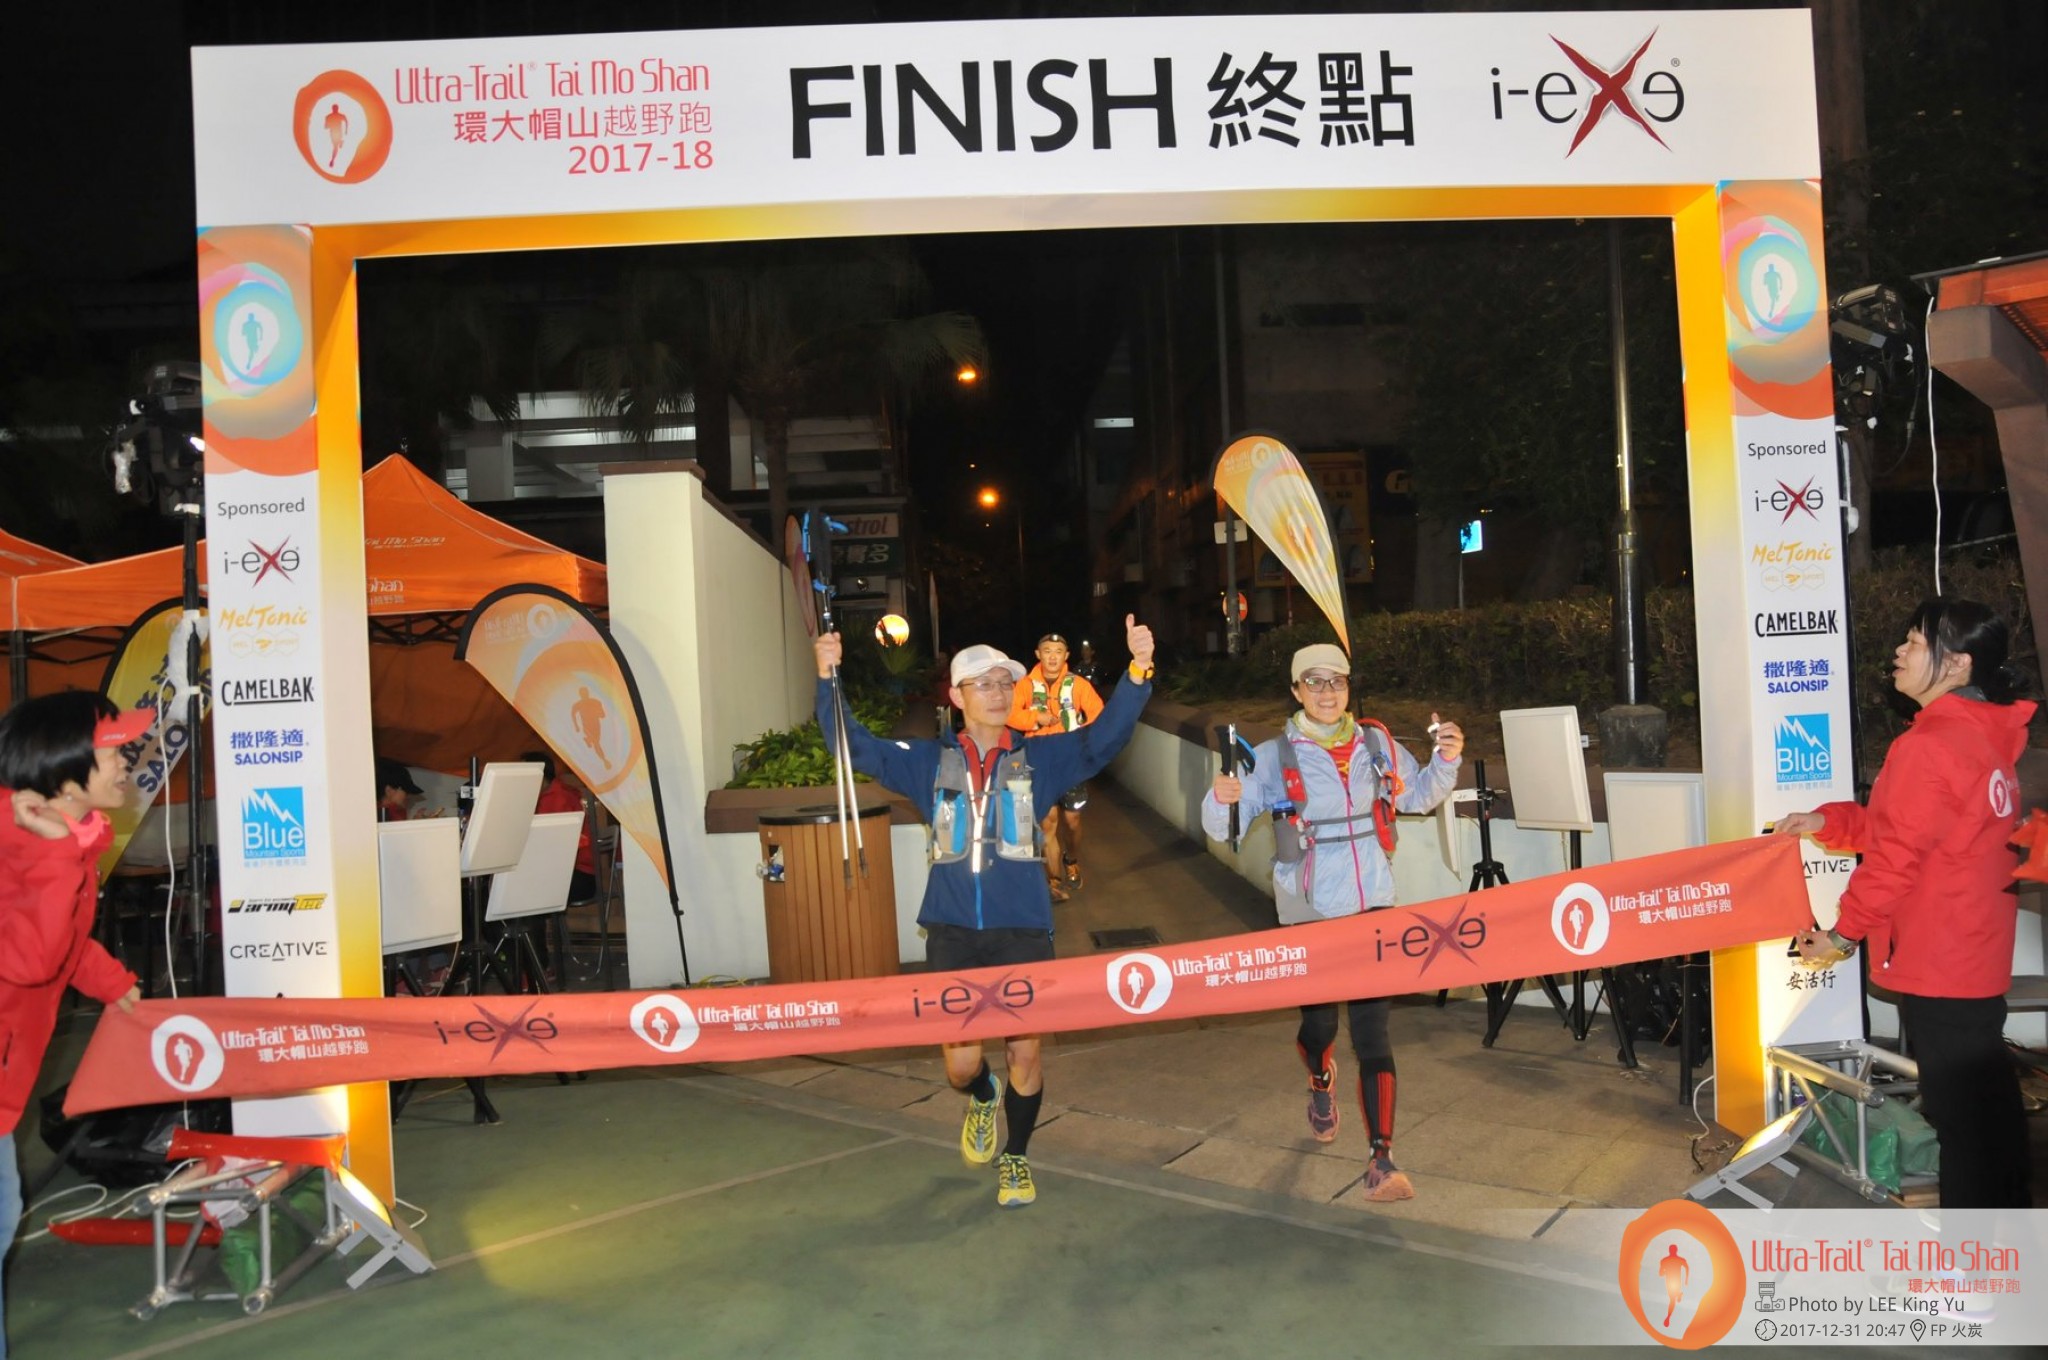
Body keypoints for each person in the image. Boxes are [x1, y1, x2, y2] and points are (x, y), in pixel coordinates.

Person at [815, 614, 1156, 1209]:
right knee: (960, 1064)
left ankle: (1016, 1156)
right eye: (984, 683)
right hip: (951, 929)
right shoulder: (926, 761)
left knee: (1026, 1050)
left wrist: (1137, 672)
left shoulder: (1041, 757)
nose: (998, 693)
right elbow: (855, 745)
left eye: (1005, 683)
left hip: (1022, 928)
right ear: (957, 696)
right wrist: (828, 679)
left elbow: (1104, 738)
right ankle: (981, 1096)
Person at [1774, 597, 2034, 1209]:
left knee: (1964, 1125)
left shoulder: (1931, 745)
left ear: (1958, 664)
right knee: (1987, 1115)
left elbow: (1895, 859)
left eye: (1916, 642)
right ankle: (2010, 1245)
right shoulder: (1981, 736)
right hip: (1972, 950)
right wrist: (1828, 821)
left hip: (1941, 954)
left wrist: (1841, 937)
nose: (1900, 650)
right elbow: (1908, 829)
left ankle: (1975, 1262)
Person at [1202, 643, 1463, 1202]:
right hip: (1311, 907)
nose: (1326, 692)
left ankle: (1382, 1159)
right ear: (1296, 690)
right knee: (1320, 1024)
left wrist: (1445, 760)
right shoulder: (1273, 756)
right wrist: (1221, 797)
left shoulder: (1375, 742)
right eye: (1314, 682)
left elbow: (1417, 796)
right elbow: (1225, 824)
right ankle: (1320, 1075)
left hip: (1373, 902)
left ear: (1348, 687)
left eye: (1336, 681)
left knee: (1372, 1031)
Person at [1, 694, 146, 1354]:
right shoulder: (26, 847)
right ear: (63, 773)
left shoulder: (65, 838)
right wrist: (59, 852)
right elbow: (32, 958)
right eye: (112, 750)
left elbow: (62, 939)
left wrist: (113, 984)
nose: (126, 761)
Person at [1007, 633, 1104, 901]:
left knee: (1072, 821)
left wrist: (1080, 737)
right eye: (1047, 650)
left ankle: (1071, 858)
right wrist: (1035, 718)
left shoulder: (1079, 685)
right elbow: (1010, 713)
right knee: (1047, 822)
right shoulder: (1025, 685)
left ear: (1066, 656)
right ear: (1038, 654)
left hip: (1070, 761)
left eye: (1058, 651)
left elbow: (1098, 714)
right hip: (1039, 761)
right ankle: (1054, 880)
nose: (1052, 656)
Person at [527, 750, 597, 903]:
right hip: (572, 873)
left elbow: (554, 846)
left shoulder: (559, 799)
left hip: (578, 876)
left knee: (525, 888)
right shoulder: (555, 794)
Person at [375, 756, 421, 822]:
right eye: (406, 791)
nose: (408, 796)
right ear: (389, 791)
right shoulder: (383, 814)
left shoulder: (396, 812)